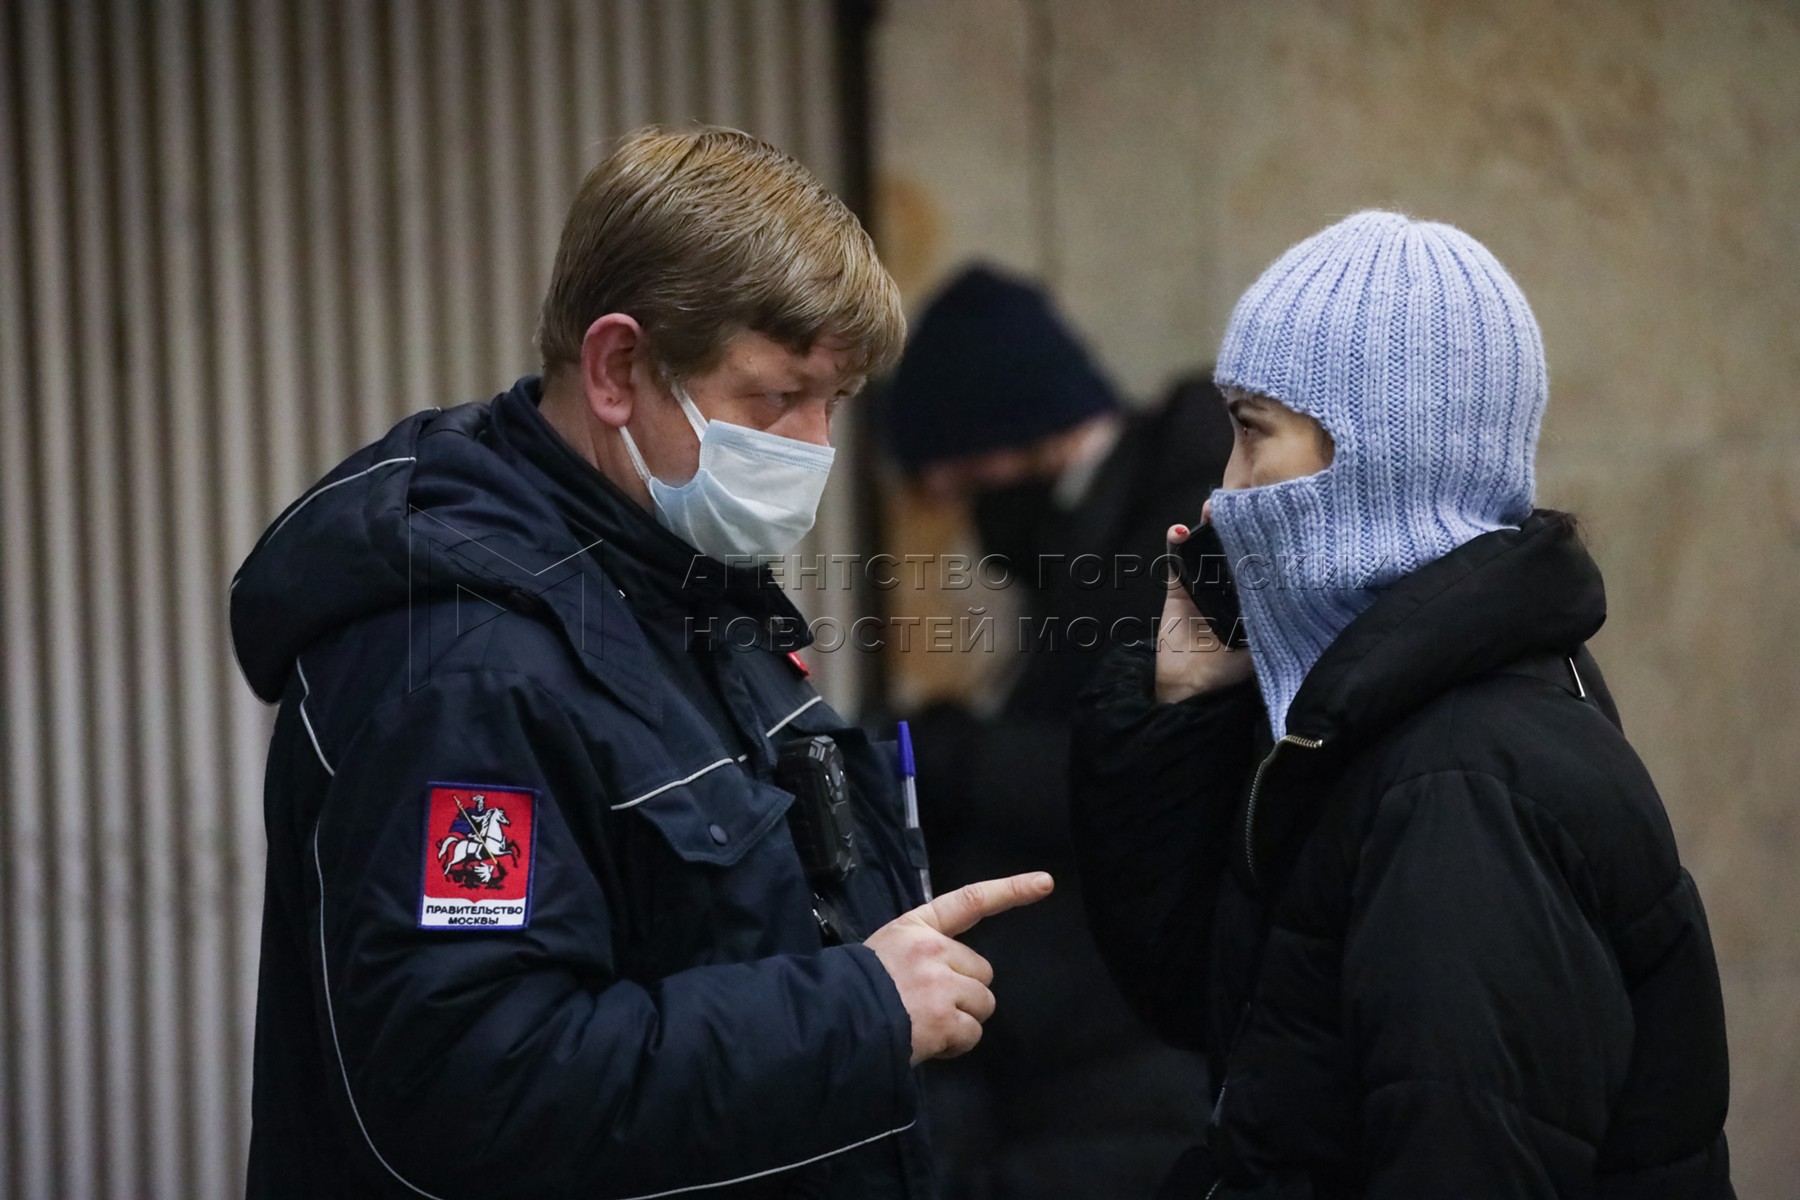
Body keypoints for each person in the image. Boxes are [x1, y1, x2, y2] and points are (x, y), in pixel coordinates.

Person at [230, 126, 1052, 1200]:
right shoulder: (462, 672)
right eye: (776, 398)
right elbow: (470, 1089)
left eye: (835, 403)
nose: (814, 445)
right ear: (618, 369)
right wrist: (861, 1013)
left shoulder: (680, 587)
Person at [1071, 211, 1733, 1198]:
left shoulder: (1457, 782)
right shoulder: (1383, 717)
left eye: (1253, 432)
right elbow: (1212, 1007)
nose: (1225, 490)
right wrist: (1181, 709)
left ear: (1378, 460)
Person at [879, 265, 1231, 1198]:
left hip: (1129, 1061)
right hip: (1086, 1056)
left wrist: (948, 760)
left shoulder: (1167, 541)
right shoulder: (1098, 532)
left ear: (1015, 439)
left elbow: (1142, 774)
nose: (964, 515)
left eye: (963, 483)